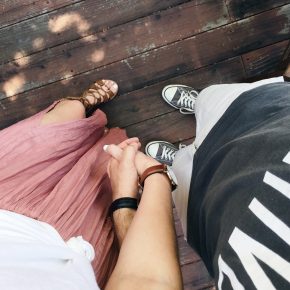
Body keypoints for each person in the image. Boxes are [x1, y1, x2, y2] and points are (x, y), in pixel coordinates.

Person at [0, 78, 183, 290]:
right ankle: (179, 156)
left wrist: (155, 175)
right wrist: (140, 187)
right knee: (105, 170)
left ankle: (82, 103)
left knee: (63, 120)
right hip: (74, 246)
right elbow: (147, 281)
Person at [144, 66, 290, 289]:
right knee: (214, 101)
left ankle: (181, 159)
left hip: (212, 216)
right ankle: (198, 109)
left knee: (184, 178)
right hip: (267, 118)